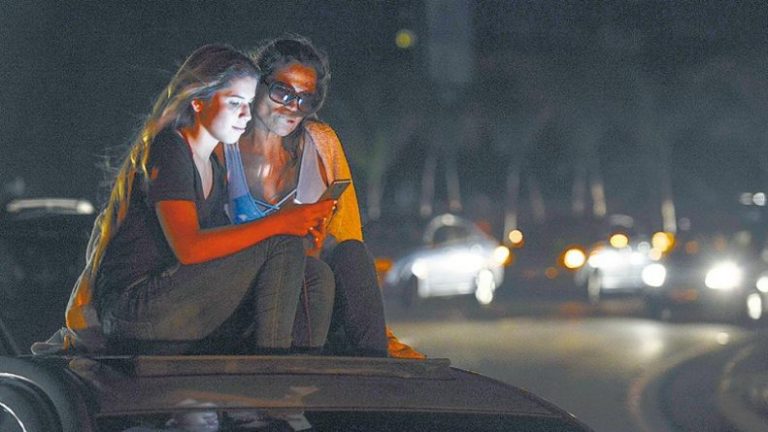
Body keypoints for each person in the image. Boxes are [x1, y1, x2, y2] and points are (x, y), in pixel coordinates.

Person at [64, 44, 335, 356]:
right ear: (198, 100)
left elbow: (226, 253)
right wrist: (281, 224)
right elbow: (190, 247)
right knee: (281, 242)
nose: (246, 116)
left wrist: (299, 231)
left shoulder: (215, 167)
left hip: (179, 299)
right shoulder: (170, 149)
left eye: (249, 104)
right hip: (136, 309)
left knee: (314, 274)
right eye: (235, 103)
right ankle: (271, 372)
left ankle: (300, 372)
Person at [228, 35, 424, 358]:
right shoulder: (227, 143)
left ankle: (376, 360)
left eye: (306, 99)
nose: (293, 107)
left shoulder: (321, 143)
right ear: (257, 84)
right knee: (309, 272)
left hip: (313, 296)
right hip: (247, 296)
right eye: (282, 91)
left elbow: (347, 237)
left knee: (350, 253)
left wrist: (317, 241)